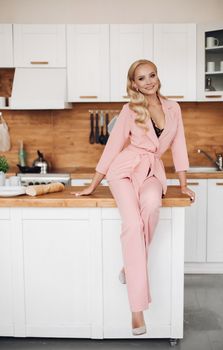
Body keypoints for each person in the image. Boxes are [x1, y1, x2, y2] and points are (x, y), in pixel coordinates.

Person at [71, 59, 195, 336]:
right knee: (132, 225)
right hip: (124, 171)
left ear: (157, 77)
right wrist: (94, 184)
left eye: (152, 75)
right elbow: (113, 147)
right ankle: (136, 310)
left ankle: (130, 266)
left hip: (152, 171)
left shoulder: (174, 108)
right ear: (134, 84)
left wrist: (184, 185)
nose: (148, 81)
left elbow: (179, 146)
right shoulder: (129, 110)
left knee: (152, 205)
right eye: (141, 78)